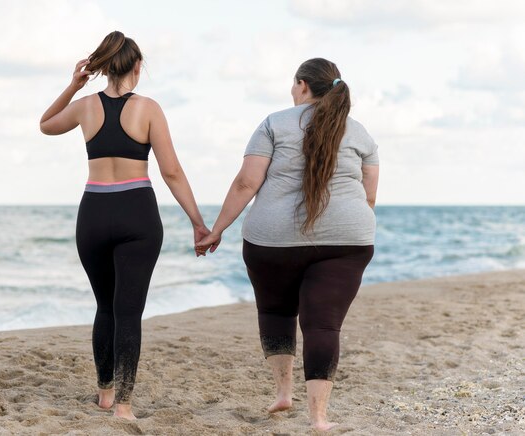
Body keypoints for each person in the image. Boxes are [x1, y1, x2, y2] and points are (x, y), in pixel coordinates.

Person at [196, 58, 379, 431]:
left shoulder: (274, 123)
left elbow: (247, 183)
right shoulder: (360, 133)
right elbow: (369, 197)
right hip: (347, 241)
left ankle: (283, 393)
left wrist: (216, 229)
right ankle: (319, 418)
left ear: (302, 85)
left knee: (277, 312)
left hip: (272, 242)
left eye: (293, 85)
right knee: (323, 326)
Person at [39, 31, 209, 420]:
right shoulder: (148, 108)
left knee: (105, 307)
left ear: (104, 67)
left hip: (94, 213)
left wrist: (73, 85)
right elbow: (172, 172)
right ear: (137, 66)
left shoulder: (84, 107)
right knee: (128, 312)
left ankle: (104, 394)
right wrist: (198, 222)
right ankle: (125, 406)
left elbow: (46, 124)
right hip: (137, 214)